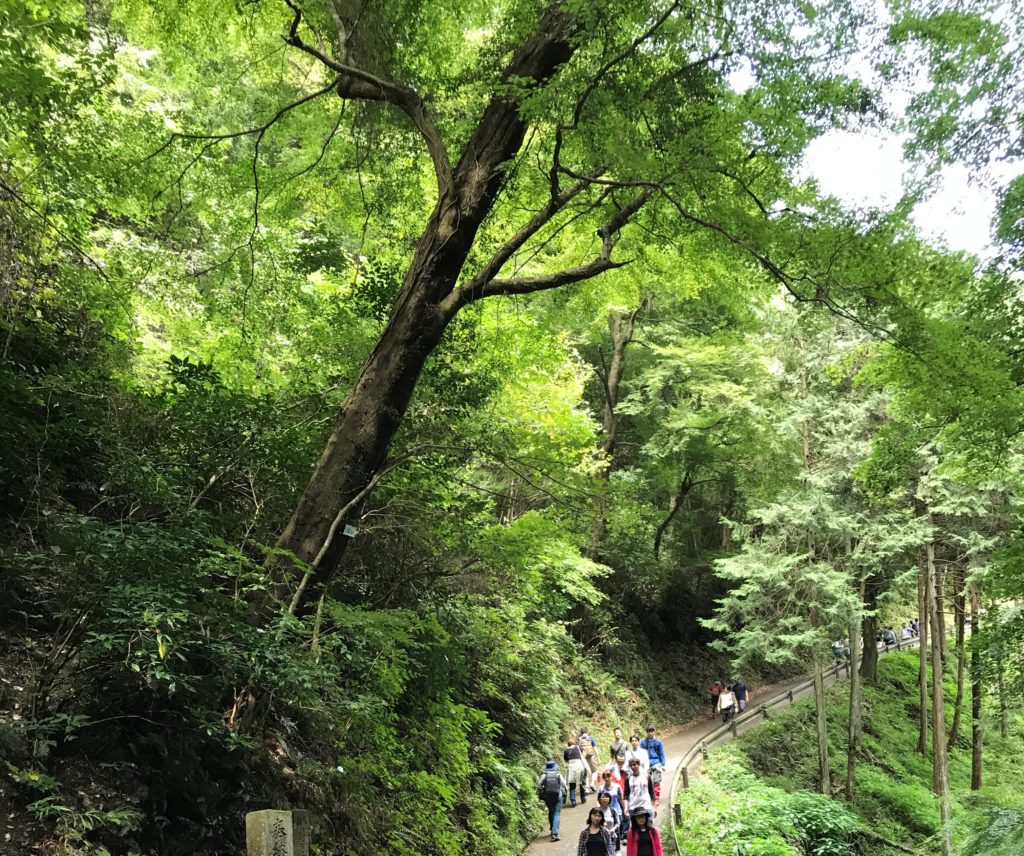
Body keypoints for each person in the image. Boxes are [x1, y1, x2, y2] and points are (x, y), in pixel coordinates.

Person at [537, 758, 567, 842]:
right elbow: (564, 786)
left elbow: (539, 786)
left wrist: (542, 792)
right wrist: (565, 795)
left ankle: (551, 828)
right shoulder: (558, 775)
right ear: (555, 767)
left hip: (548, 797)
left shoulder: (544, 776)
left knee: (551, 811)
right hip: (558, 797)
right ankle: (554, 833)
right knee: (557, 813)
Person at [640, 725, 666, 806]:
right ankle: (650, 797)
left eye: (651, 731)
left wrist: (663, 764)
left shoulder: (658, 742)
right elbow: (641, 753)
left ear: (654, 732)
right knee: (647, 782)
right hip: (647, 764)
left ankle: (656, 799)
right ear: (646, 732)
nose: (650, 733)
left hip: (656, 763)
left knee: (656, 782)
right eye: (648, 731)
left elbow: (661, 753)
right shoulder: (643, 742)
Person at [564, 736, 588, 806]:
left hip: (571, 767)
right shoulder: (579, 747)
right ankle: (583, 798)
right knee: (582, 783)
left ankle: (573, 801)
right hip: (580, 766)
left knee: (572, 785)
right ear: (575, 742)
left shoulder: (566, 751)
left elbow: (566, 760)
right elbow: (584, 755)